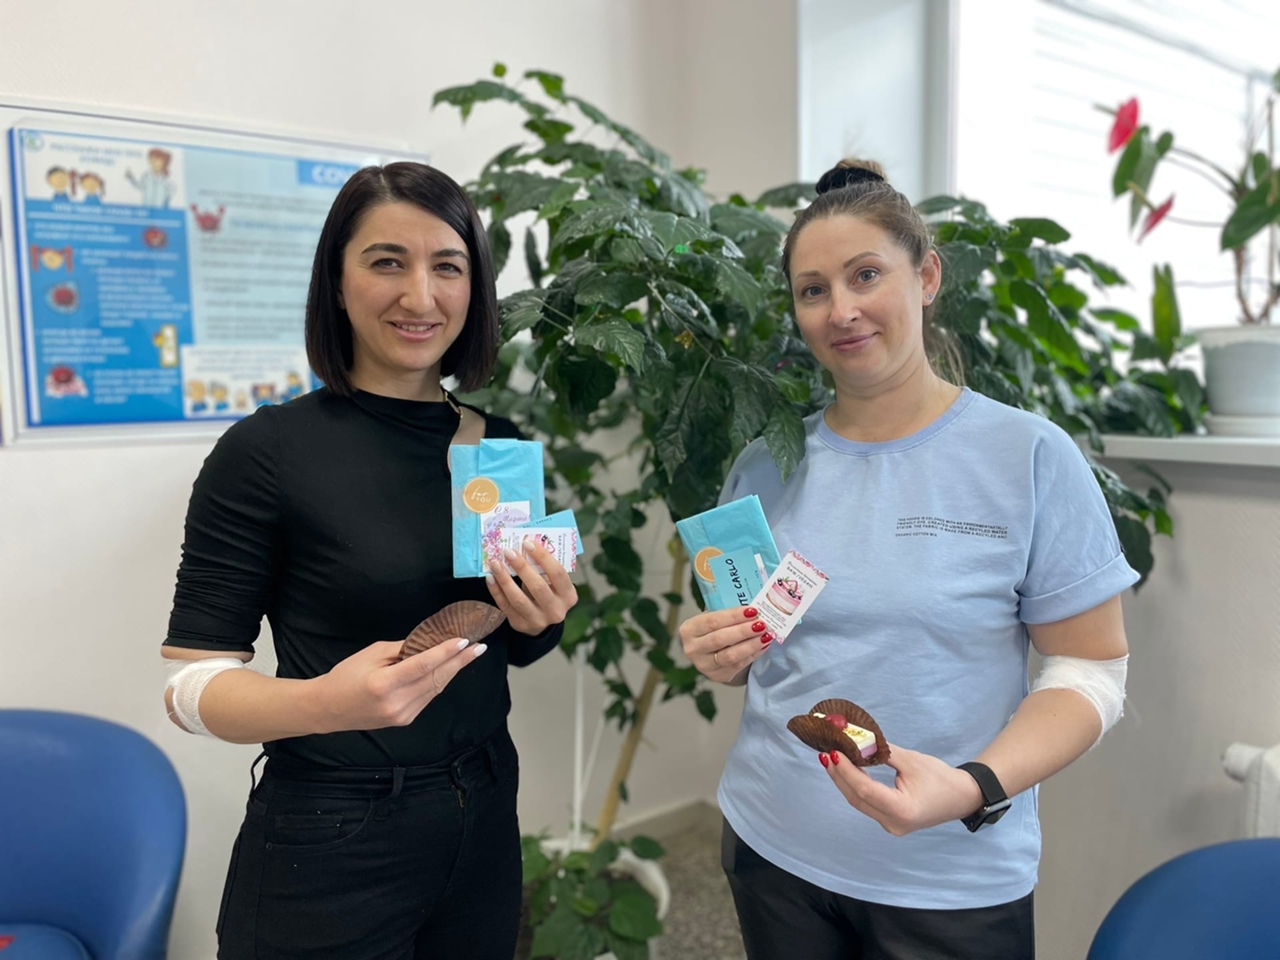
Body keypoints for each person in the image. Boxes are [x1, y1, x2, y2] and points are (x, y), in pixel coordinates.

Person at [678, 159, 1136, 960]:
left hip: (949, 876)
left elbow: (1091, 672)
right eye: (813, 290)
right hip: (771, 845)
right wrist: (723, 655)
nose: (841, 311)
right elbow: (760, 652)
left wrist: (972, 786)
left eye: (866, 275)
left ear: (926, 277)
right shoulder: (766, 463)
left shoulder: (1028, 457)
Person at [161, 162, 577, 960]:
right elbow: (190, 687)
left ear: (474, 288)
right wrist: (325, 702)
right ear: (338, 281)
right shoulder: (266, 452)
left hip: (485, 807)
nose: (420, 296)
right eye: (388, 261)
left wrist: (543, 615)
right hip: (331, 829)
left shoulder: (500, 446)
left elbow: (516, 647)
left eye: (447, 266)